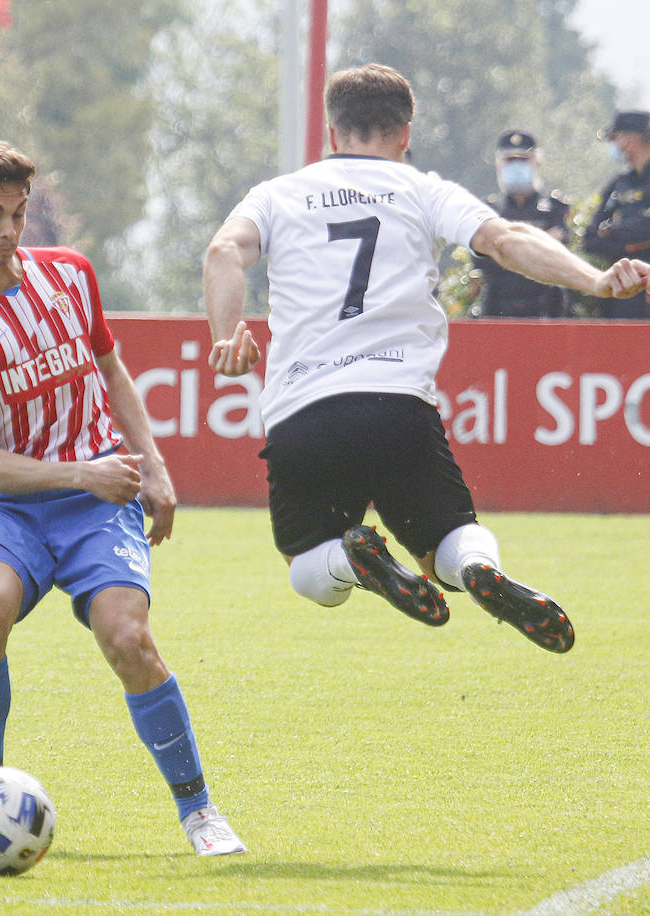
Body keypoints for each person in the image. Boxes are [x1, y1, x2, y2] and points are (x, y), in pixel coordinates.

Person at [202, 64, 650, 654]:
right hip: (398, 406)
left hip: (302, 408)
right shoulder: (422, 189)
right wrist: (594, 282)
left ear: (333, 134)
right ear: (405, 133)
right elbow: (507, 240)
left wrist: (226, 336)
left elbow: (223, 251)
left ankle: (350, 561)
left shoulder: (277, 195)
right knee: (450, 539)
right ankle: (476, 570)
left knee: (306, 564)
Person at [0, 136, 245, 857]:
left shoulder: (69, 277)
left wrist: (152, 468)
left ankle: (200, 812)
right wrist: (79, 473)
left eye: (19, 214)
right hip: (15, 504)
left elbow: (113, 372)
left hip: (99, 503)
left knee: (127, 637)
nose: (8, 231)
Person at [470, 130, 571, 317]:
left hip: (545, 307)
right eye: (509, 160)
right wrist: (539, 243)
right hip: (498, 307)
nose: (516, 165)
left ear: (537, 162)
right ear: (498, 164)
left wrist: (504, 247)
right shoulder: (488, 210)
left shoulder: (554, 208)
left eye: (523, 159)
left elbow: (559, 256)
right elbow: (481, 259)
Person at [584, 110, 650, 318]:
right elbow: (590, 239)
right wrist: (628, 243)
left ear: (631, 138)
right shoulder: (617, 184)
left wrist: (614, 231)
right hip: (621, 296)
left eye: (615, 138)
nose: (614, 145)